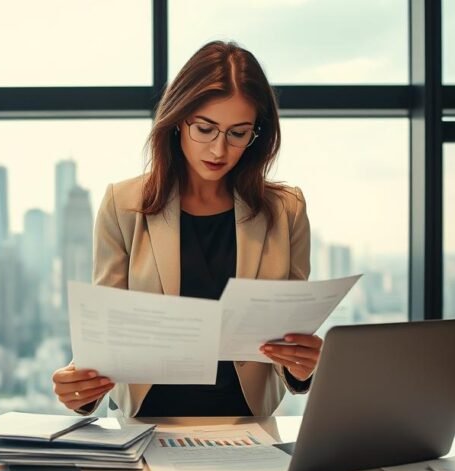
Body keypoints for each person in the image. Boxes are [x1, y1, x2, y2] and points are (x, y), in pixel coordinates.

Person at [52, 40, 322, 417]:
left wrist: (301, 366)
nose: (218, 150)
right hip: (147, 426)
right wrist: (80, 386)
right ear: (179, 120)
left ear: (256, 133)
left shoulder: (286, 210)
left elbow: (287, 342)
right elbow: (108, 333)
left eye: (237, 133)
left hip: (247, 428)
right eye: (205, 129)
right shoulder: (123, 203)